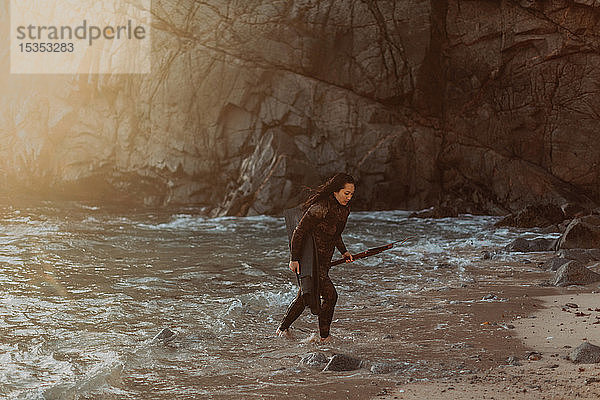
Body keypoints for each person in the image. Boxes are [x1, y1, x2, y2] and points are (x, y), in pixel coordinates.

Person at [276, 173, 355, 343]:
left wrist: (344, 251)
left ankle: (282, 330)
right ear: (336, 191)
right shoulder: (321, 207)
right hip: (310, 260)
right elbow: (299, 232)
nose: (349, 197)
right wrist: (294, 258)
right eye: (346, 193)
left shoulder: (344, 210)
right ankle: (324, 338)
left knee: (304, 297)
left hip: (325, 261)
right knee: (330, 296)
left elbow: (335, 234)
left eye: (351, 194)